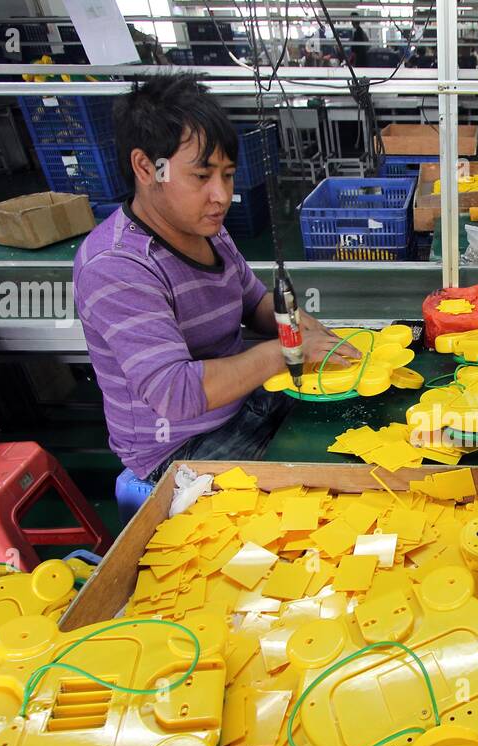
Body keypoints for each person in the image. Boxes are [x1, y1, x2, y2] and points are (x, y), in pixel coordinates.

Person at [74, 74, 357, 483]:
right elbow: (177, 393)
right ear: (145, 167)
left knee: (350, 426)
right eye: (202, 176)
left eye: (227, 175)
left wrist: (309, 332)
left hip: (243, 403)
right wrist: (290, 351)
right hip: (181, 447)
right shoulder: (117, 267)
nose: (222, 195)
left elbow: (254, 301)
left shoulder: (206, 227)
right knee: (327, 481)